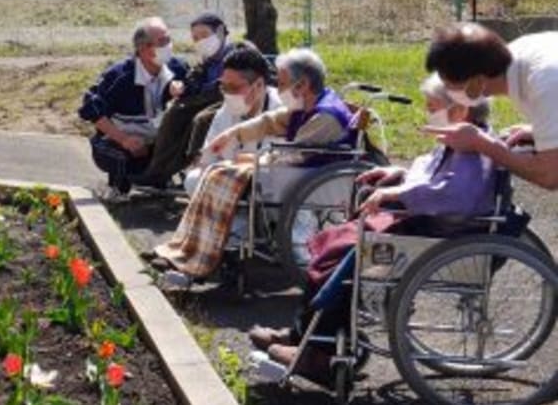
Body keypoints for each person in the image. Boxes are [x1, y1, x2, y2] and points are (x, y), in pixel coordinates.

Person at [250, 75, 495, 379]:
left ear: (460, 111)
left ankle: (320, 353)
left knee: (343, 255)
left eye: (432, 107)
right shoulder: (463, 141)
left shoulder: (472, 151)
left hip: (435, 231)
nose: (427, 113)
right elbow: (434, 178)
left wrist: (397, 192)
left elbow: (451, 196)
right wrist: (398, 174)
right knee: (336, 244)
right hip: (425, 222)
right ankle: (306, 336)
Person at [151, 48, 352, 281]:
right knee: (213, 176)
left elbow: (294, 155)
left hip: (309, 181)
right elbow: (271, 122)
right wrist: (234, 135)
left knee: (221, 178)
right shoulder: (305, 106)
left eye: (283, 82)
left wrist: (254, 160)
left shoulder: (325, 115)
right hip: (288, 173)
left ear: (303, 84)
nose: (278, 88)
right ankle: (201, 247)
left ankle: (214, 249)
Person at [422, 22, 558, 190]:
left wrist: (482, 143)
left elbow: (550, 175)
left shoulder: (546, 81)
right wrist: (542, 131)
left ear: (477, 82)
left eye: (450, 86)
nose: (448, 92)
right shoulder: (521, 56)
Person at [78, 17, 188, 201]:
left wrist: (183, 91)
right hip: (122, 141)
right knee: (119, 158)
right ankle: (116, 188)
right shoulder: (120, 75)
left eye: (169, 39)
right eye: (162, 42)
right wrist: (125, 140)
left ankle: (161, 181)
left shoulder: (178, 68)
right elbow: (91, 109)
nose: (169, 46)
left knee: (179, 151)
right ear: (143, 48)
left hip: (158, 142)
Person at [129, 12, 233, 187]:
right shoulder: (209, 60)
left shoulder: (238, 52)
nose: (200, 41)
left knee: (201, 119)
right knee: (175, 111)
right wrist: (181, 86)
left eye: (205, 35)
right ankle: (158, 171)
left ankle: (193, 168)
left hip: (233, 100)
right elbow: (194, 80)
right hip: (207, 98)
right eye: (196, 38)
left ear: (221, 31)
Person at [183, 41, 283, 194]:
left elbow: (282, 162)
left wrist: (251, 161)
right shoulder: (227, 109)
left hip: (269, 183)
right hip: (233, 179)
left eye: (235, 88)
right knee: (193, 180)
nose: (228, 94)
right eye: (224, 87)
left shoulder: (281, 108)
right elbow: (209, 156)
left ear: (259, 85)